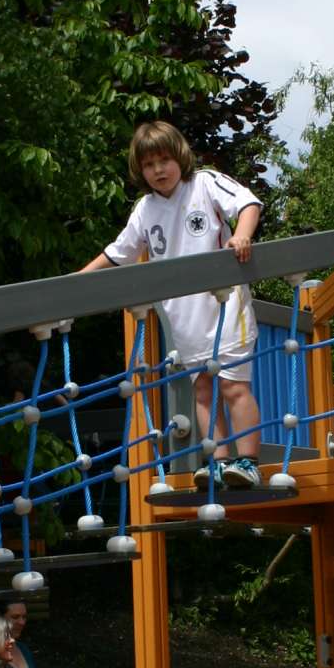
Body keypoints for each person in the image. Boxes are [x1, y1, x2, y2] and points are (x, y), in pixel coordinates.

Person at [79, 120, 265, 488]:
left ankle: (248, 461)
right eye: (149, 165)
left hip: (226, 307)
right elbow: (120, 252)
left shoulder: (204, 184)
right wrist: (79, 278)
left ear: (179, 157)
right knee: (203, 390)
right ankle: (218, 461)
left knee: (233, 387)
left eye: (164, 160)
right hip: (185, 317)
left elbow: (247, 202)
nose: (158, 170)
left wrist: (242, 235)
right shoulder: (145, 209)